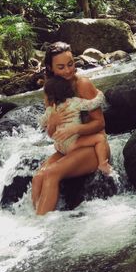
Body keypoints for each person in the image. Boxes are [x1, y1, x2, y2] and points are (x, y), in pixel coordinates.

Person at [32, 41, 111, 215]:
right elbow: (52, 134)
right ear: (50, 68)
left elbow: (100, 124)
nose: (68, 70)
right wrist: (53, 122)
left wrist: (75, 130)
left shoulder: (82, 84)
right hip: (68, 147)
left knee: (52, 173)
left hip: (92, 146)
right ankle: (35, 215)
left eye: (70, 64)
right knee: (38, 176)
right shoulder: (50, 90)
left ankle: (39, 228)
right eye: (61, 67)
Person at [41, 75, 111, 174]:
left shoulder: (51, 110)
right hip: (71, 144)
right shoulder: (74, 102)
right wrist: (99, 93)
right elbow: (95, 103)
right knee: (100, 139)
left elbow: (42, 122)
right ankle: (103, 164)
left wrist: (51, 121)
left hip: (58, 146)